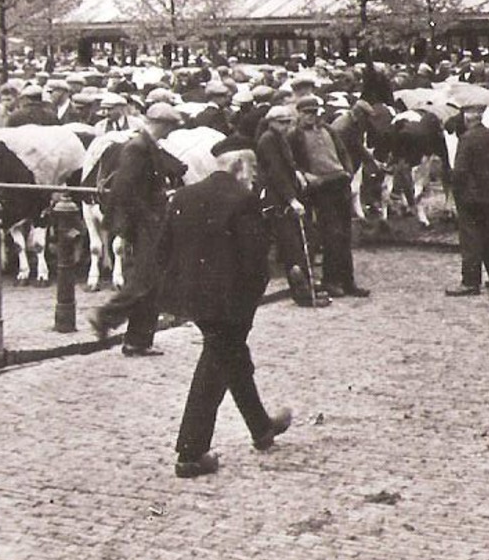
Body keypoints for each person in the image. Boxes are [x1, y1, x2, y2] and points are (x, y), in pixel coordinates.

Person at [157, 144, 293, 479]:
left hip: (196, 301)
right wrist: (246, 308)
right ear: (238, 166)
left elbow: (164, 252)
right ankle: (190, 452)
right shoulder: (244, 200)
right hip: (230, 304)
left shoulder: (183, 197)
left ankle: (261, 427)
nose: (256, 174)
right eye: (254, 167)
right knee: (216, 364)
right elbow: (254, 263)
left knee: (230, 358)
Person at [87, 103, 187, 356]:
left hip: (150, 221)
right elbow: (124, 189)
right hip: (144, 225)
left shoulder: (146, 146)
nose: (171, 132)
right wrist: (147, 217)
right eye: (170, 127)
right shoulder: (138, 148)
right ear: (162, 124)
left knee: (153, 283)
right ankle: (105, 316)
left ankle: (138, 341)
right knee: (144, 279)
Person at [287, 94, 369, 298]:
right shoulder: (294, 135)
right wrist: (306, 175)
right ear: (299, 113)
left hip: (340, 183)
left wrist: (348, 171)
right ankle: (331, 280)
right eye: (307, 113)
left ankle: (348, 282)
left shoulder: (328, 129)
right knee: (331, 234)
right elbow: (291, 162)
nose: (311, 117)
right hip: (321, 187)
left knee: (345, 234)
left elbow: (343, 152)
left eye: (314, 112)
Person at [255, 104, 326, 307]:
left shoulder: (279, 138)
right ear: (271, 122)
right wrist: (291, 200)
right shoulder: (268, 140)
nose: (286, 126)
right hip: (277, 199)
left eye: (288, 122)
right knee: (293, 247)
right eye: (281, 122)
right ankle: (302, 294)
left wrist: (296, 173)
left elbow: (288, 165)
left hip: (286, 195)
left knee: (304, 242)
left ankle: (306, 289)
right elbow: (276, 173)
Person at [446, 101, 489, 295]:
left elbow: (460, 171)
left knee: (471, 239)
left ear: (467, 120)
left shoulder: (466, 140)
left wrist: (457, 194)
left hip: (471, 199)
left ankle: (471, 282)